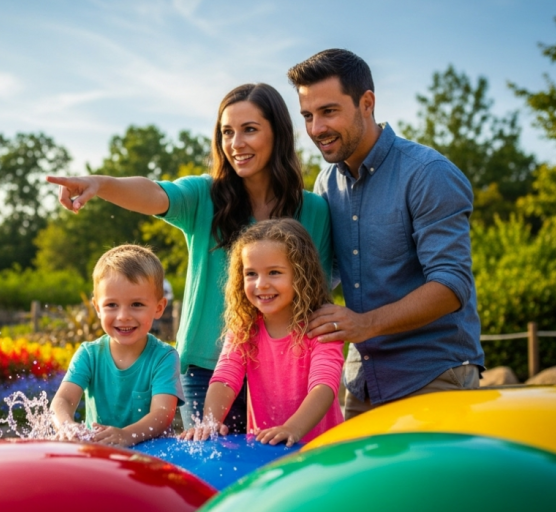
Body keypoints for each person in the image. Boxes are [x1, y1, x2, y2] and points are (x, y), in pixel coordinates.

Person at [47, 83, 333, 430]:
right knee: (207, 459)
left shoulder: (314, 210)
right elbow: (154, 193)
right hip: (206, 369)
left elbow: (317, 294)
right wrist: (101, 184)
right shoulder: (204, 196)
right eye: (227, 132)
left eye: (250, 130)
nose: (236, 143)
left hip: (285, 370)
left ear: (278, 134)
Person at [287, 49, 485, 420]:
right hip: (362, 381)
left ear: (367, 103)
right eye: (308, 116)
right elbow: (325, 274)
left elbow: (452, 284)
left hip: (433, 375)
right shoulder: (326, 183)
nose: (316, 129)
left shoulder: (428, 173)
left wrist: (363, 324)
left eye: (328, 111)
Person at [180, 219, 343, 446]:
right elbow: (225, 377)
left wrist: (292, 429)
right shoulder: (245, 328)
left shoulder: (320, 327)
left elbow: (324, 386)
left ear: (300, 274)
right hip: (265, 451)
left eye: (274, 272)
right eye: (251, 274)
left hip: (321, 452)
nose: (261, 284)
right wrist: (210, 421)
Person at [50, 245, 184, 447]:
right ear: (97, 308)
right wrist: (66, 426)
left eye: (137, 304)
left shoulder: (164, 357)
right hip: (102, 455)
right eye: (111, 305)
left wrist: (126, 435)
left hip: (153, 455)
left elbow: (162, 414)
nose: (123, 316)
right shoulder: (89, 355)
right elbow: (63, 401)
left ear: (159, 308)